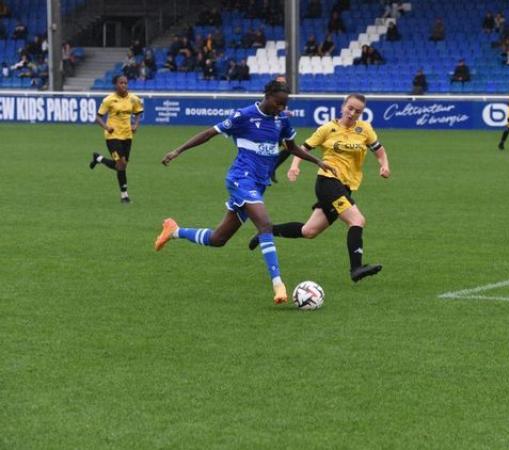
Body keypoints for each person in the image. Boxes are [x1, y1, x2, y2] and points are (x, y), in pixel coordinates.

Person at [153, 81, 336, 304]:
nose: (281, 108)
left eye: (284, 104)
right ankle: (278, 284)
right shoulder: (244, 116)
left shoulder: (281, 121)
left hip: (259, 184)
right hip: (241, 179)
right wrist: (177, 150)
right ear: (267, 95)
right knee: (265, 225)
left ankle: (174, 231)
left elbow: (291, 147)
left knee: (218, 238)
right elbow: (209, 133)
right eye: (279, 103)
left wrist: (318, 161)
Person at [248, 94, 391, 283]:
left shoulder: (364, 129)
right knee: (357, 220)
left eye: (358, 111)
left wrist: (384, 165)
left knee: (309, 231)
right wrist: (294, 166)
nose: (352, 113)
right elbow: (302, 148)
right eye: (350, 108)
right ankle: (356, 268)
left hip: (345, 187)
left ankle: (266, 231)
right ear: (343, 106)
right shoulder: (327, 129)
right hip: (328, 182)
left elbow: (379, 150)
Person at [89, 75, 143, 203]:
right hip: (112, 136)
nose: (124, 85)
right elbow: (97, 117)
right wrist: (107, 127)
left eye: (125, 83)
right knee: (121, 164)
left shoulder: (133, 99)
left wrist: (136, 124)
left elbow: (139, 112)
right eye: (121, 83)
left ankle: (99, 159)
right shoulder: (109, 100)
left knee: (122, 165)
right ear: (116, 85)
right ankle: (124, 195)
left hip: (127, 135)